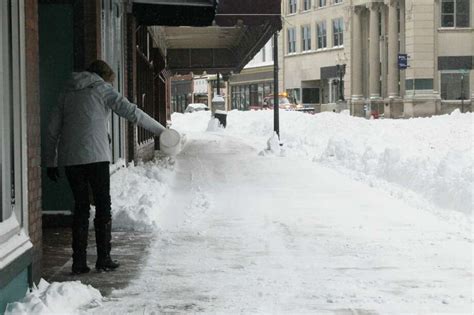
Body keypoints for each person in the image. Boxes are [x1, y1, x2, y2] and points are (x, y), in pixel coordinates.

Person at [44, 60, 166, 274]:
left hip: (71, 159)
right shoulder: (102, 89)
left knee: (81, 208)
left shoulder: (67, 91)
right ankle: (104, 258)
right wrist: (160, 131)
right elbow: (131, 112)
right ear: (104, 76)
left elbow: (53, 129)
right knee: (102, 206)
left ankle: (79, 262)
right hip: (97, 157)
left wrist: (51, 161)